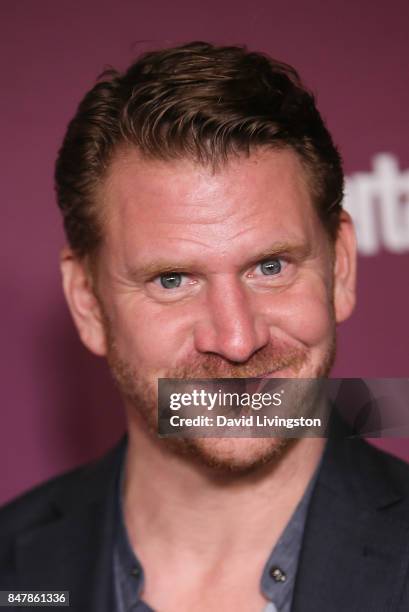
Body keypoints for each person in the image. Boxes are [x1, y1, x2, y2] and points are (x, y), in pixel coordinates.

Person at [1, 41, 409, 612]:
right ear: (89, 303)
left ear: (339, 267)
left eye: (271, 267)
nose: (237, 341)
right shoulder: (13, 575)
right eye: (172, 279)